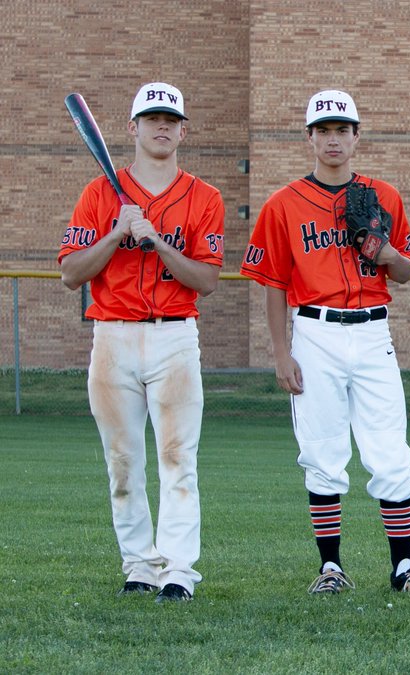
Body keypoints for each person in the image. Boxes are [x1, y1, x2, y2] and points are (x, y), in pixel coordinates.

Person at [241, 90, 410, 595]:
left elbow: (404, 275)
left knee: (391, 453)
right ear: (310, 138)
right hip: (314, 331)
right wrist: (280, 352)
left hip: (374, 331)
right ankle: (331, 568)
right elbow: (272, 283)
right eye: (323, 130)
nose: (333, 139)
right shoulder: (283, 203)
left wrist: (381, 247)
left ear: (356, 136)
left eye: (342, 130)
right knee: (322, 451)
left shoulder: (384, 196)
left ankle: (403, 569)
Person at [59, 82, 224, 603]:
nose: (161, 126)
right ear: (132, 128)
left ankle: (178, 570)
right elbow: (70, 273)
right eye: (151, 118)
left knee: (179, 459)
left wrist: (154, 240)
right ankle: (138, 565)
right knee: (123, 463)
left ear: (182, 131)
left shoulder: (205, 197)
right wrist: (116, 235)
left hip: (175, 335)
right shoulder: (98, 192)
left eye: (170, 119)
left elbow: (205, 279)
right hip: (112, 335)